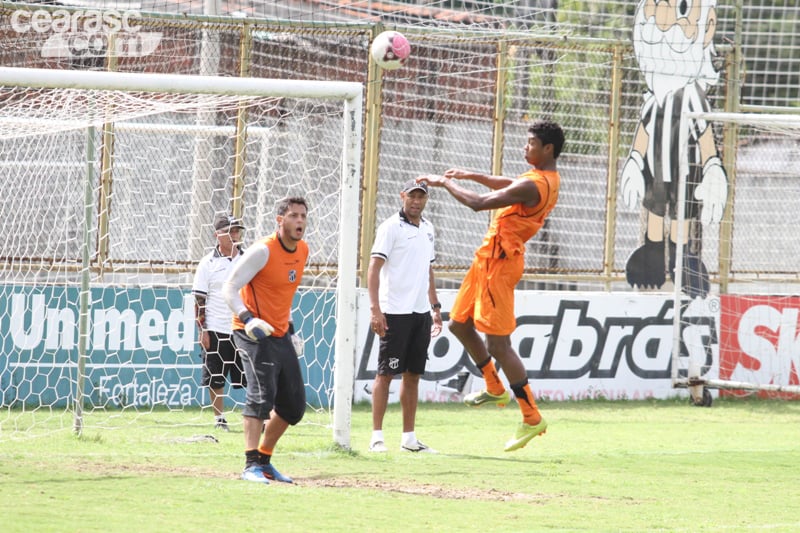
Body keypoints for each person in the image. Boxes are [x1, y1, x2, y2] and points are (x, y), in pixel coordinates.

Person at [419, 119, 565, 452]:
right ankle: (493, 385)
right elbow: (509, 183)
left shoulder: (536, 185)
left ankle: (531, 417)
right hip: (487, 258)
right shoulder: (542, 178)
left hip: (500, 263)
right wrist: (471, 174)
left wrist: (444, 183)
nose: (524, 147)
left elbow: (478, 203)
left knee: (500, 346)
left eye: (530, 143)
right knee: (458, 324)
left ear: (548, 149)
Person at [222, 197, 309, 484]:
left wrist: (291, 330)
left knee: (293, 406)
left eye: (303, 216)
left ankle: (265, 460)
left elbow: (282, 296)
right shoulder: (262, 251)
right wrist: (249, 319)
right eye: (294, 216)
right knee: (261, 396)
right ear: (280, 220)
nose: (299, 221)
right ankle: (250, 466)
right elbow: (230, 288)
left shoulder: (303, 250)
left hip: (280, 333)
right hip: (251, 332)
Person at [367, 179, 443, 453]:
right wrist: (375, 309)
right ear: (403, 196)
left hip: (420, 314)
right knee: (386, 374)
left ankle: (408, 438)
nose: (416, 201)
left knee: (413, 375)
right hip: (394, 313)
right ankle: (377, 436)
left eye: (421, 197)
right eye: (412, 196)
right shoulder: (390, 227)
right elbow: (374, 269)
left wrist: (435, 308)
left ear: (426, 200)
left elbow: (428, 271)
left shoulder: (428, 228)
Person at [191, 213, 247, 431]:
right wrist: (202, 329)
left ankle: (256, 418)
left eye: (238, 231)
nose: (235, 235)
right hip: (215, 327)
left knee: (252, 376)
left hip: (242, 327)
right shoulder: (208, 263)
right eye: (231, 231)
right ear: (218, 235)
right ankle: (219, 418)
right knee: (215, 377)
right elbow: (199, 298)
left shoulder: (247, 259)